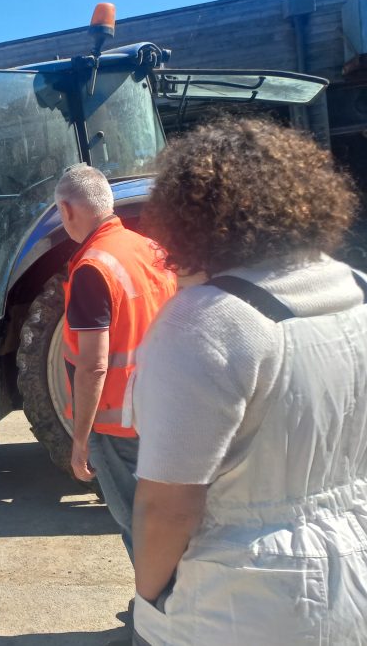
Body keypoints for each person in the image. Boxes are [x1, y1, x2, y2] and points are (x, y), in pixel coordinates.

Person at [128, 118, 367, 644]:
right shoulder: (356, 288)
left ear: (187, 215)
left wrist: (151, 599)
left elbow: (167, 506)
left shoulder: (206, 320)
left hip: (237, 602)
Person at [53, 164, 176, 563]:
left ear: (69, 210)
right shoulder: (149, 249)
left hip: (118, 420)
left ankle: (154, 613)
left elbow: (94, 366)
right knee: (169, 517)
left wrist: (79, 438)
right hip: (163, 407)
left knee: (136, 522)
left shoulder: (92, 268)